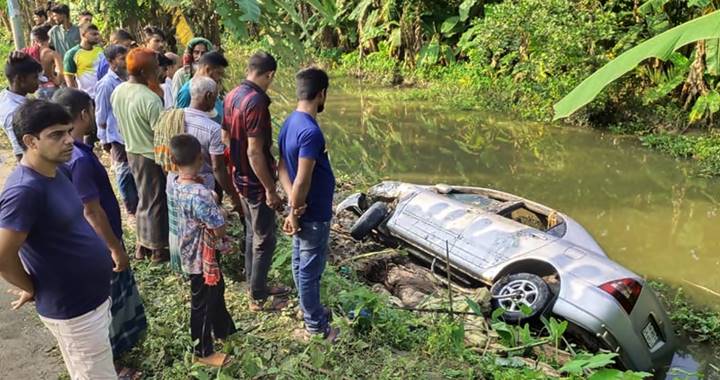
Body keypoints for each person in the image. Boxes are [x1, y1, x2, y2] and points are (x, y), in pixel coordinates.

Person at [0, 99, 115, 379]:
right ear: (30, 141)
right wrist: (32, 286)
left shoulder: (58, 170)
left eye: (68, 131)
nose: (68, 141)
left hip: (92, 300)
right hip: (73, 310)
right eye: (56, 135)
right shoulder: (24, 191)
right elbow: (3, 256)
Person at [53, 88, 147, 378]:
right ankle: (112, 364)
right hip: (99, 243)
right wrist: (115, 247)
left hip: (89, 241)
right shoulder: (78, 159)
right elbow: (91, 210)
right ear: (83, 113)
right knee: (106, 307)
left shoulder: (70, 153)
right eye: (92, 111)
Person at [224, 52, 289, 311]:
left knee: (252, 232)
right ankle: (258, 298)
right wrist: (269, 189)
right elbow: (254, 151)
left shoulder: (232, 94)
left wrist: (236, 167)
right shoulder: (256, 102)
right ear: (270, 74)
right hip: (254, 181)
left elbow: (225, 137)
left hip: (239, 177)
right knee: (265, 238)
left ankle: (254, 284)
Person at [278, 67, 339, 341]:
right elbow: (303, 179)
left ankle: (308, 309)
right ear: (322, 94)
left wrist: (292, 202)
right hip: (312, 213)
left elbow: (281, 168)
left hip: (302, 209)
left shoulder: (289, 122)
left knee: (299, 260)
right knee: (310, 269)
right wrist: (295, 210)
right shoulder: (311, 132)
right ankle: (316, 326)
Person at [167, 134, 236, 367]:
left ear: (174, 161)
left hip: (187, 249)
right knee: (203, 303)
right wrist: (220, 210)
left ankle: (224, 329)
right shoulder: (201, 194)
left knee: (216, 289)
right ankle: (202, 351)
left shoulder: (175, 184)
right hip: (201, 256)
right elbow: (219, 228)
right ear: (200, 157)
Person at [111, 48, 169, 263]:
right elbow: (160, 137)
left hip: (131, 150)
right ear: (146, 71)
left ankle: (141, 245)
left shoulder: (119, 91)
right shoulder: (150, 99)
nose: (159, 70)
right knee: (155, 201)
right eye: (155, 67)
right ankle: (156, 249)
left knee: (144, 199)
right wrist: (166, 164)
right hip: (149, 155)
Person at [184, 76, 241, 209]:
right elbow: (217, 168)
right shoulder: (213, 129)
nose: (216, 101)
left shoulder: (175, 118)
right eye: (215, 96)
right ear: (209, 95)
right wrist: (233, 195)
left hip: (177, 185)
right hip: (203, 189)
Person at [95, 44, 138, 216]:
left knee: (133, 169)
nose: (126, 62)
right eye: (122, 58)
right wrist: (104, 140)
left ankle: (137, 202)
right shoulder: (106, 84)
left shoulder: (128, 80)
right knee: (123, 171)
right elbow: (101, 115)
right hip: (117, 136)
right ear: (111, 62)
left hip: (131, 133)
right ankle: (131, 207)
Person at [0, 53, 42, 161]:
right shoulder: (13, 112)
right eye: (35, 77)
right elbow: (21, 153)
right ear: (20, 79)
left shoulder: (7, 95)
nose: (39, 81)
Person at [175, 51, 227, 124]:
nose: (219, 78)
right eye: (218, 73)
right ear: (207, 70)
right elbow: (180, 124)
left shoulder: (211, 88)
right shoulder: (187, 92)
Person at [63, 23, 103, 98]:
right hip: (87, 97)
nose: (97, 37)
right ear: (83, 35)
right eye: (93, 34)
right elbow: (68, 77)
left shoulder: (100, 50)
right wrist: (76, 96)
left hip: (102, 94)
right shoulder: (72, 54)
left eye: (97, 34)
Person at [30, 26, 64, 100]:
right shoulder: (53, 54)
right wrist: (53, 78)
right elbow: (60, 76)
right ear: (48, 38)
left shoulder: (30, 54)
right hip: (51, 88)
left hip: (37, 89)